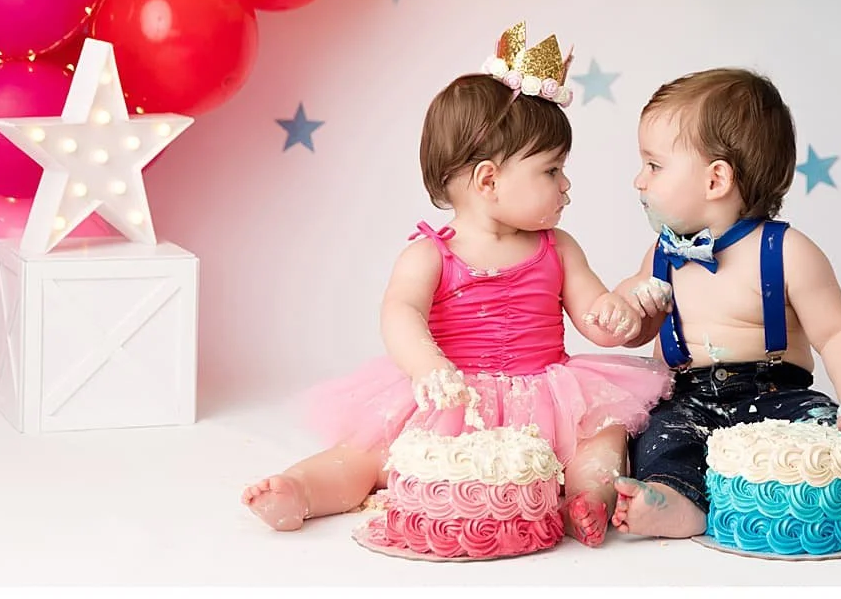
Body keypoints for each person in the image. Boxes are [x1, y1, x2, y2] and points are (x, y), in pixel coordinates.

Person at [241, 29, 667, 544]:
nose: (566, 185)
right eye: (552, 170)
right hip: (453, 394)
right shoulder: (430, 254)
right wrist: (428, 368)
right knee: (371, 457)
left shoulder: (559, 247)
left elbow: (594, 319)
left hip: (546, 396)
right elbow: (400, 313)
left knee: (601, 439)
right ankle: (302, 488)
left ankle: (587, 500)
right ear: (488, 181)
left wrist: (617, 313)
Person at [586, 66, 841, 540]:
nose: (639, 180)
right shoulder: (663, 254)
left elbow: (837, 331)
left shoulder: (786, 251)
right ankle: (676, 498)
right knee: (661, 438)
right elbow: (637, 321)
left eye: (654, 165)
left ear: (716, 179)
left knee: (832, 446)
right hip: (684, 395)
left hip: (777, 395)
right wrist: (623, 306)